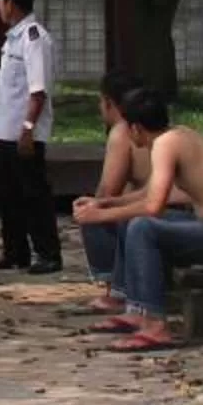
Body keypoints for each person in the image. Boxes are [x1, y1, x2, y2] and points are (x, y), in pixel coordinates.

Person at [81, 87, 203, 351]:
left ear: (135, 129)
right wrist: (106, 203)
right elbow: (151, 193)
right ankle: (134, 308)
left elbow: (152, 207)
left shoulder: (165, 144)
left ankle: (154, 324)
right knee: (130, 221)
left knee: (143, 228)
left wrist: (100, 215)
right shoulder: (177, 136)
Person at [0, 0, 59, 272]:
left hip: (25, 134)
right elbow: (8, 92)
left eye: (0, 1)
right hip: (6, 132)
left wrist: (28, 129)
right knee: (9, 196)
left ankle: (48, 254)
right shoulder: (13, 39)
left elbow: (37, 91)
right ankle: (15, 252)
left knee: (33, 194)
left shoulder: (33, 38)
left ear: (10, 3)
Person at [72, 71, 147, 299]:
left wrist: (95, 205)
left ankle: (115, 288)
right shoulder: (150, 123)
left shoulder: (122, 131)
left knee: (93, 213)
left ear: (108, 103)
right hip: (163, 202)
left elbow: (108, 190)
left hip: (162, 206)